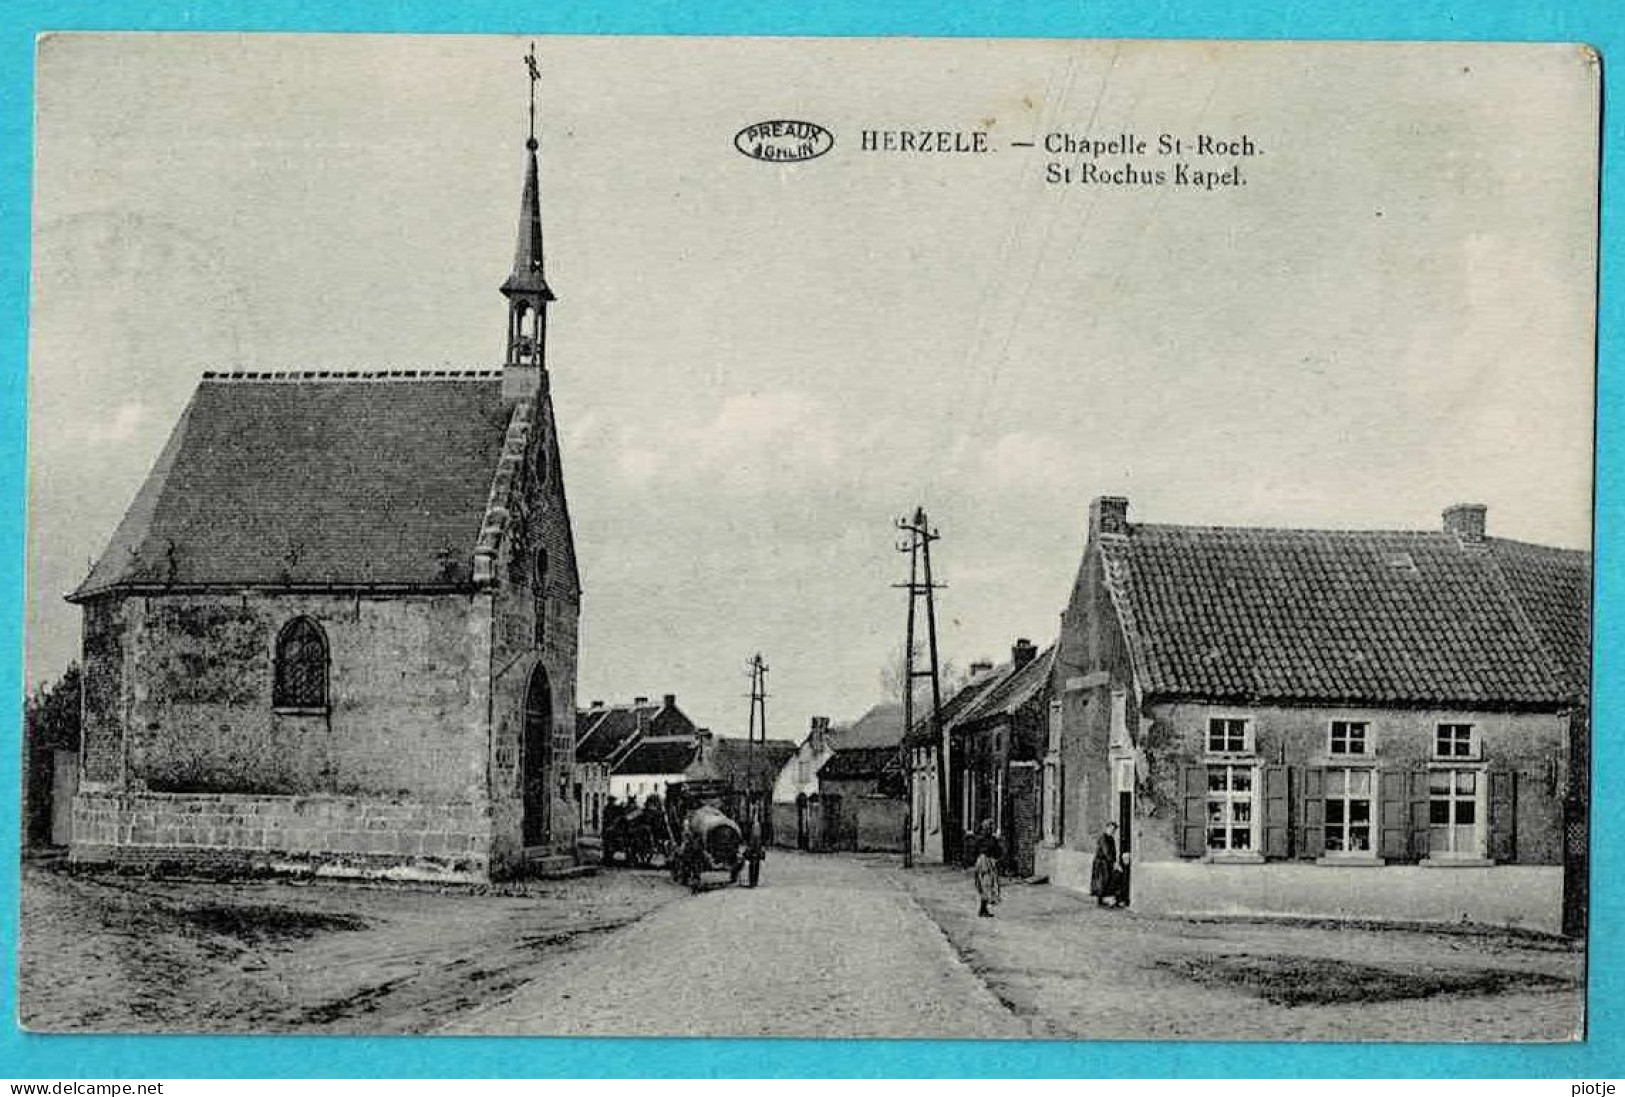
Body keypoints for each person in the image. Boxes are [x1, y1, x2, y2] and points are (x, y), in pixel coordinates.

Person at [971, 820, 1002, 918]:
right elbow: (994, 850)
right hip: (985, 863)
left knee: (987, 885)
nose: (990, 830)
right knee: (987, 884)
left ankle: (983, 909)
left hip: (985, 863)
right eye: (989, 828)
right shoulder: (988, 839)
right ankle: (982, 909)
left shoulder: (982, 839)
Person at [1091, 822, 1121, 907]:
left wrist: (1114, 861)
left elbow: (1113, 852)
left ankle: (1104, 899)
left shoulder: (1111, 838)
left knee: (1106, 880)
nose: (1112, 831)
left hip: (1107, 862)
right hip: (1101, 863)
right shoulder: (1103, 838)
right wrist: (1114, 862)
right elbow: (1106, 851)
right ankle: (1100, 900)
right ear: (1107, 828)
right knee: (1102, 880)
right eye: (1111, 829)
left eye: (1114, 830)